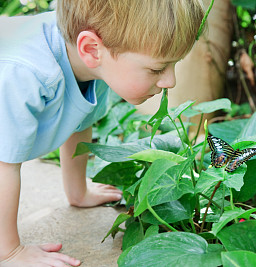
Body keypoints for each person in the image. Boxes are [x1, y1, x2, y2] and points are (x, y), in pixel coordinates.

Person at [0, 0, 205, 266]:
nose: (170, 81)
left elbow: (80, 122)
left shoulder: (98, 61)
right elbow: (4, 164)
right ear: (91, 49)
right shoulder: (27, 73)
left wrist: (78, 192)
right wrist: (9, 251)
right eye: (157, 68)